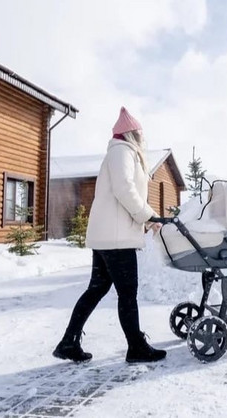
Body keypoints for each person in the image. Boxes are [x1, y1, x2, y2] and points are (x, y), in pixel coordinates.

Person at [53, 107, 166, 364]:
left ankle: (69, 342)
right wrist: (147, 216)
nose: (142, 136)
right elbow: (124, 188)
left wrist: (148, 218)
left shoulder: (121, 152)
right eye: (139, 132)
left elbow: (125, 193)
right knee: (128, 293)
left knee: (97, 288)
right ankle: (136, 347)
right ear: (130, 134)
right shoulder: (121, 152)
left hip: (110, 235)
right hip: (117, 238)